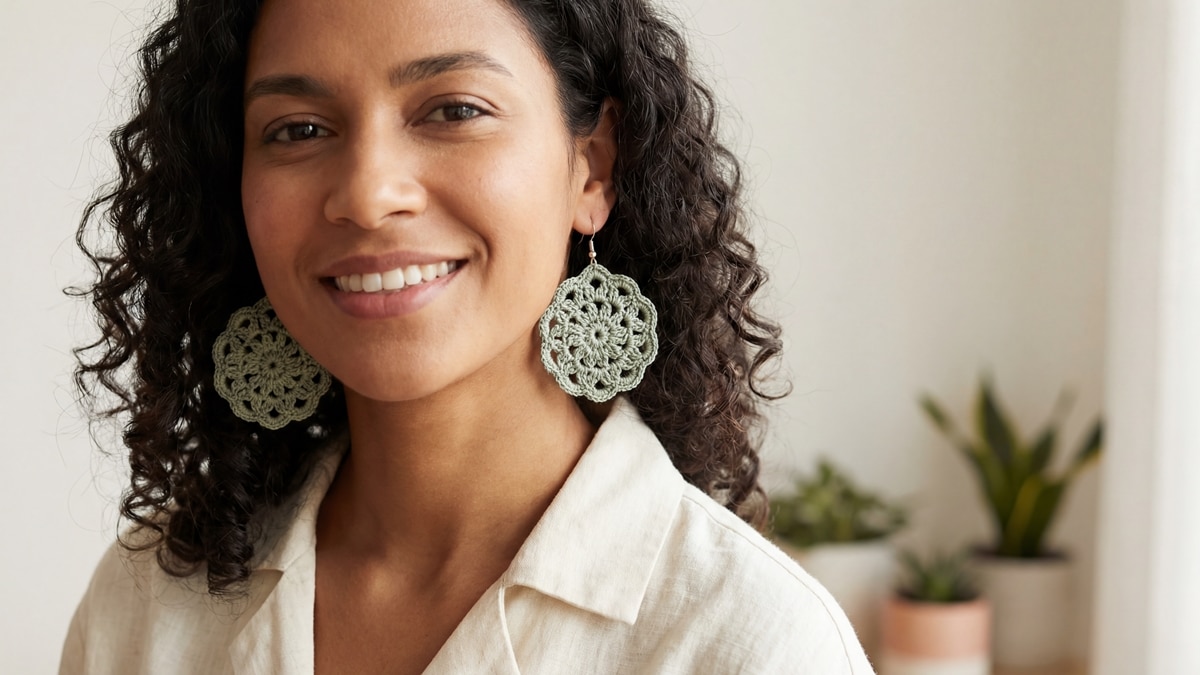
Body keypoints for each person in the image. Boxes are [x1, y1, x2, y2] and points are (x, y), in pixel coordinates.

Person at [61, 0, 873, 672]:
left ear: (591, 168)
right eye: (298, 129)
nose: (369, 193)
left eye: (455, 110)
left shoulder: (755, 643)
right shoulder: (148, 603)